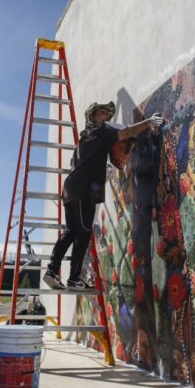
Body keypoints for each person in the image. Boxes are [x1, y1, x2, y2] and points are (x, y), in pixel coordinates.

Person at [43, 102, 164, 290]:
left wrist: (100, 168)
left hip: (70, 189)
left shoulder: (83, 139)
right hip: (84, 190)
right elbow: (127, 132)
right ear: (92, 116)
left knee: (71, 231)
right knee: (82, 232)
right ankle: (73, 278)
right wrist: (149, 122)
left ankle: (51, 271)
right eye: (102, 113)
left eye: (107, 114)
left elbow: (74, 162)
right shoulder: (103, 133)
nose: (106, 117)